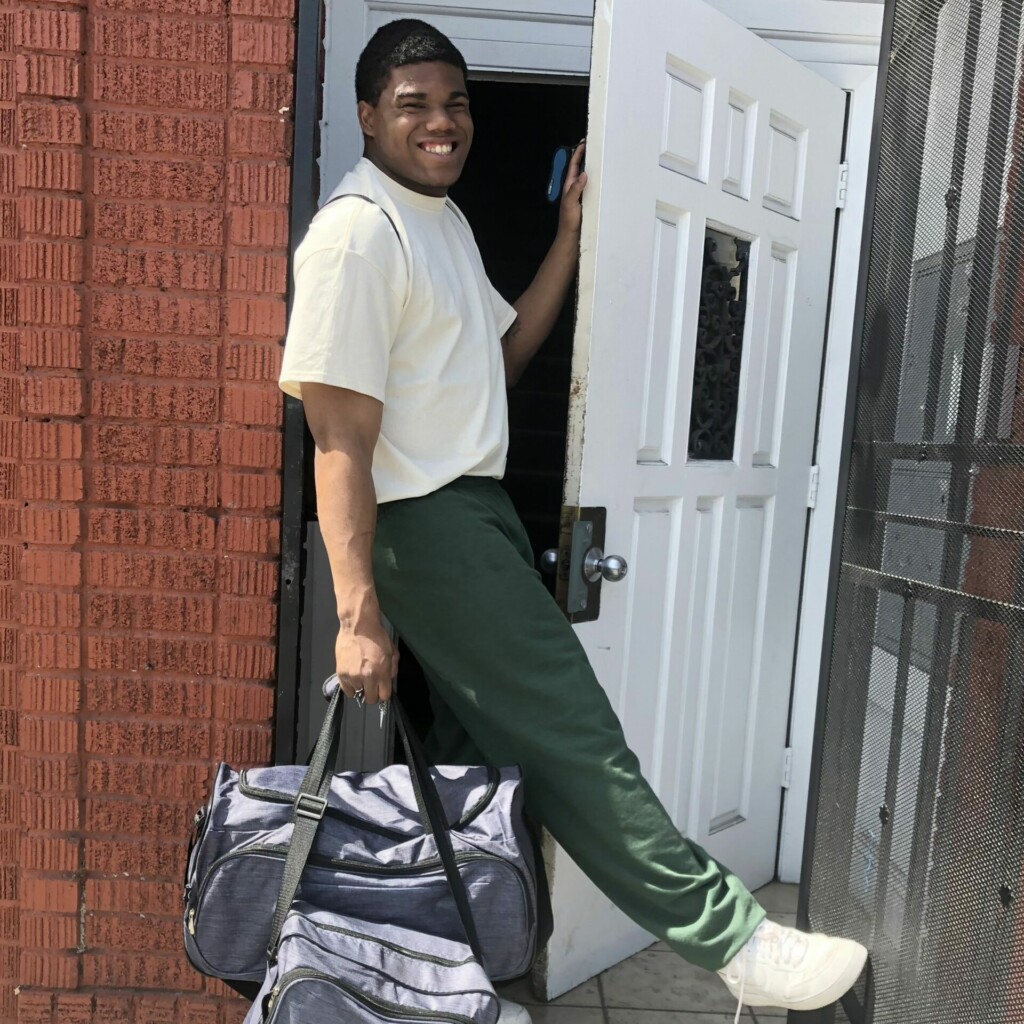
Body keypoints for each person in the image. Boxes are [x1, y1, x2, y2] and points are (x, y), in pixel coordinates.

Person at [279, 18, 868, 1023]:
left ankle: (447, 974)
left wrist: (566, 238)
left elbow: (498, 364)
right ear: (367, 114)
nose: (442, 122)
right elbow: (337, 439)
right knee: (572, 734)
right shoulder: (355, 234)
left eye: (455, 102)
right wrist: (356, 610)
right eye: (413, 103)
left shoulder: (442, 222)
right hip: (426, 527)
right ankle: (733, 938)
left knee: (471, 766)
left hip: (475, 509)